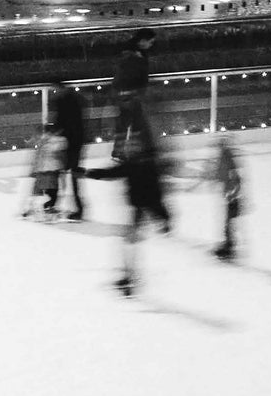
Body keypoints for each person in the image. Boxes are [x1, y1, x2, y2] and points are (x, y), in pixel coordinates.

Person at [87, 97, 170, 297]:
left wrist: (163, 216)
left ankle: (130, 278)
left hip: (143, 208)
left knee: (130, 243)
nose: (128, 149)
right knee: (130, 242)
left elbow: (156, 193)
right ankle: (130, 276)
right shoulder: (134, 164)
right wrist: (89, 173)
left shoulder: (145, 166)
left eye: (132, 146)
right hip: (140, 208)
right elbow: (112, 173)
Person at [111, 28, 157, 149]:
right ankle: (132, 150)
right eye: (150, 42)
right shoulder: (132, 55)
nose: (151, 45)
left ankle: (123, 150)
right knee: (134, 123)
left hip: (128, 94)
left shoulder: (131, 52)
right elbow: (130, 75)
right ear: (142, 40)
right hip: (130, 94)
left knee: (126, 123)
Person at [51, 81, 89, 220]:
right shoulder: (73, 99)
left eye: (55, 89)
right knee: (71, 175)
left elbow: (62, 121)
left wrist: (54, 132)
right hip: (73, 142)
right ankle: (75, 208)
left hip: (71, 143)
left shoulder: (65, 101)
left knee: (69, 174)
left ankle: (61, 205)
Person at [207, 135, 245, 262]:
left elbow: (235, 178)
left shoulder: (227, 158)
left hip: (232, 196)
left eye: (220, 146)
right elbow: (221, 174)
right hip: (229, 194)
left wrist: (232, 193)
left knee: (229, 223)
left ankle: (229, 248)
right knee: (228, 223)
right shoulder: (224, 157)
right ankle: (228, 245)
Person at [24, 124, 67, 217]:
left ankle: (32, 208)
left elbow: (38, 156)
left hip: (42, 169)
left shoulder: (42, 141)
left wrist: (34, 169)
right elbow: (58, 151)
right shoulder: (55, 141)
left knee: (39, 191)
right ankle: (47, 207)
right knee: (52, 191)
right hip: (51, 170)